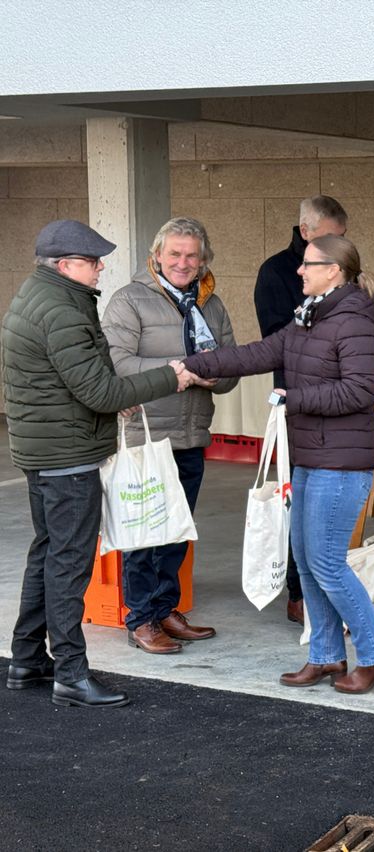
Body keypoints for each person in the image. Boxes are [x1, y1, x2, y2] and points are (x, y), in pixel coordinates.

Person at [182, 235, 374, 694]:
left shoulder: (355, 320)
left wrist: (292, 398)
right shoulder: (310, 316)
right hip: (310, 454)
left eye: (308, 264)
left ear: (334, 270)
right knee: (306, 559)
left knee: (326, 563)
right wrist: (194, 364)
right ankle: (325, 656)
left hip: (341, 462)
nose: (299, 270)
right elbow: (258, 353)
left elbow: (360, 390)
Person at [1, 219, 194, 708]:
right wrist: (170, 376)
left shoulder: (40, 295)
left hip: (46, 449)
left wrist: (115, 396)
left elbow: (77, 380)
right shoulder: (61, 309)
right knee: (69, 564)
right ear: (65, 265)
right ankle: (70, 673)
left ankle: (27, 659)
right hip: (66, 456)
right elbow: (100, 392)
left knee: (48, 554)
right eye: (92, 261)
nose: (100, 267)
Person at [102, 217, 238, 655]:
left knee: (176, 532)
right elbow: (118, 363)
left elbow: (231, 370)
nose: (183, 262)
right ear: (157, 256)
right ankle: (140, 618)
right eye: (174, 254)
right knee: (144, 535)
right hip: (147, 435)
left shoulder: (211, 304)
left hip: (191, 433)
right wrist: (186, 369)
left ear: (203, 260)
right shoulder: (130, 300)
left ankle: (164, 610)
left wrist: (214, 374)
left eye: (191, 255)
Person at [253, 195, 348, 625]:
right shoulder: (276, 272)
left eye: (342, 239)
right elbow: (276, 341)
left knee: (328, 505)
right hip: (296, 401)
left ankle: (328, 587)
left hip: (336, 403)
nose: (336, 247)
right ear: (306, 231)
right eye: (329, 237)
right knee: (298, 499)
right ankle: (298, 593)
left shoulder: (340, 269)